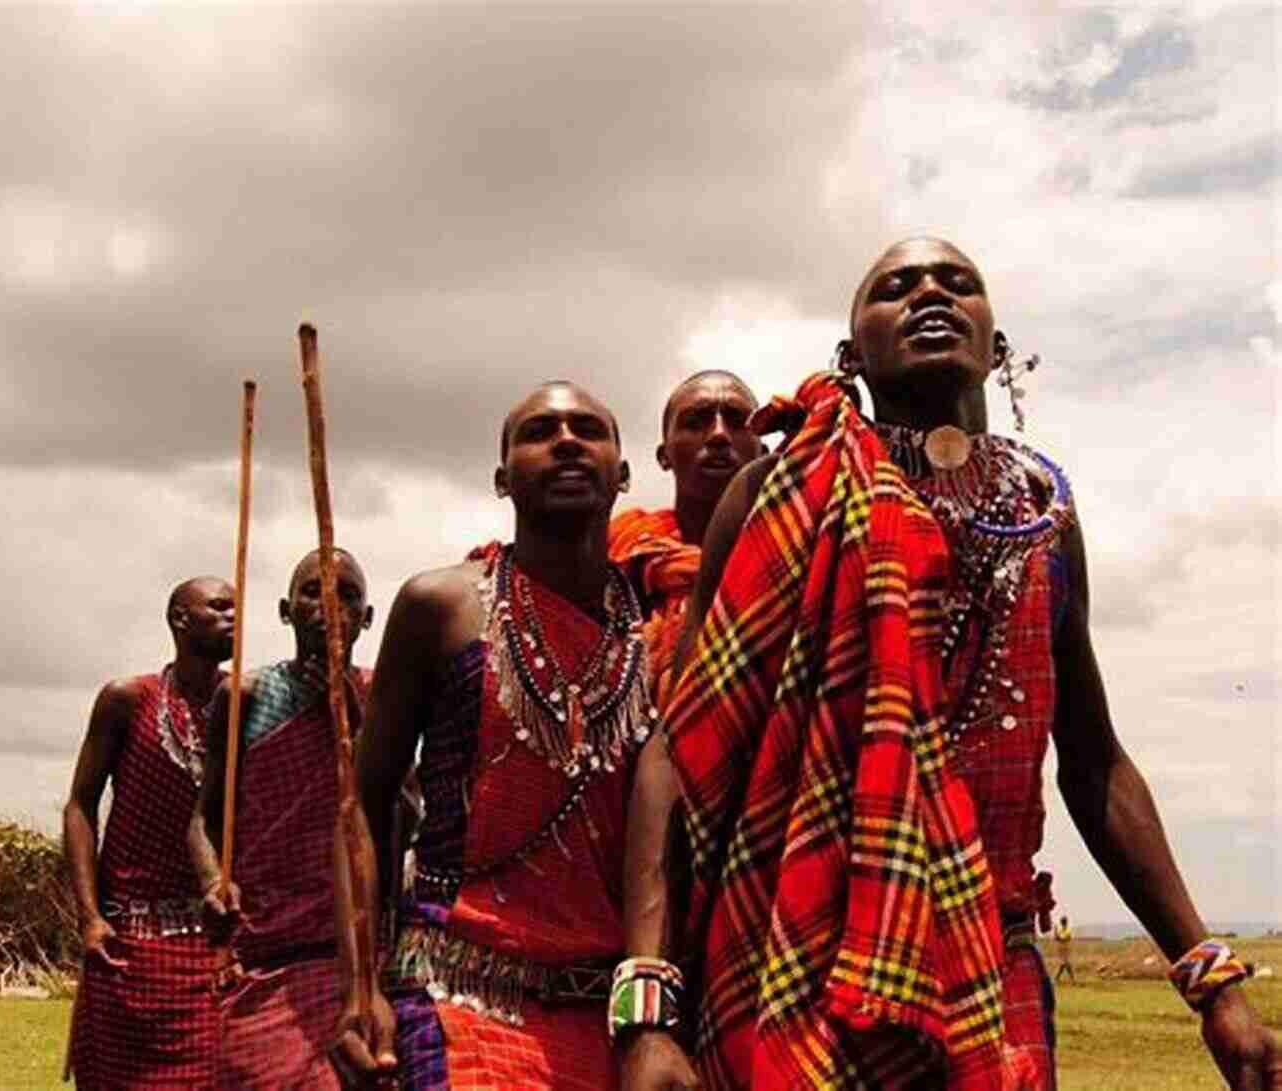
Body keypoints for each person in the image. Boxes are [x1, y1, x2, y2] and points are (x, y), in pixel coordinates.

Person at [623, 237, 1281, 1090]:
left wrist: (1210, 975)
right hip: (791, 942)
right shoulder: (777, 496)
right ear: (851, 353)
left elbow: (1094, 760)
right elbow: (683, 749)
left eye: (957, 282)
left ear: (996, 344)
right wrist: (648, 999)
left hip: (992, 952)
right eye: (896, 287)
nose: (930, 293)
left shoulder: (1045, 514)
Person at [330, 381, 656, 1090]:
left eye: (588, 429)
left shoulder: (662, 627)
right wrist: (361, 986)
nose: (567, 440)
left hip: (609, 1017)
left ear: (623, 472)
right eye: (541, 430)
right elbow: (363, 803)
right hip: (458, 993)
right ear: (503, 477)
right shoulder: (439, 607)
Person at [189, 548, 373, 1090]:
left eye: (347, 595)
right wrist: (212, 880)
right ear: (284, 610)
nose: (329, 607)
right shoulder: (246, 694)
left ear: (367, 618)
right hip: (268, 949)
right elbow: (203, 818)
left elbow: (402, 812)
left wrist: (354, 714)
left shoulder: (381, 692)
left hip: (358, 954)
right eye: (313, 592)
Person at [64, 576, 235, 1089]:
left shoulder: (245, 700)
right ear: (180, 619)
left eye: (238, 609)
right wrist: (90, 918)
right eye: (220, 607)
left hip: (213, 942)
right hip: (128, 944)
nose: (234, 618)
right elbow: (80, 806)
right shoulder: (127, 699)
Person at [608, 370, 763, 699]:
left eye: (738, 422)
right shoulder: (621, 556)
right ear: (664, 456)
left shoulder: (793, 559)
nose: (719, 435)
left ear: (762, 451)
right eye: (696, 422)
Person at [1053, 917, 1075, 984]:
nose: (1062, 923)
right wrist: (1055, 931)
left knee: (1065, 964)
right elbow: (1056, 938)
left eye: (1063, 922)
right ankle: (1070, 979)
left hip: (1066, 949)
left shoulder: (1068, 930)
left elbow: (1064, 939)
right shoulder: (1060, 930)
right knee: (1064, 964)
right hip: (1061, 949)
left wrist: (1056, 933)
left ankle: (1071, 979)